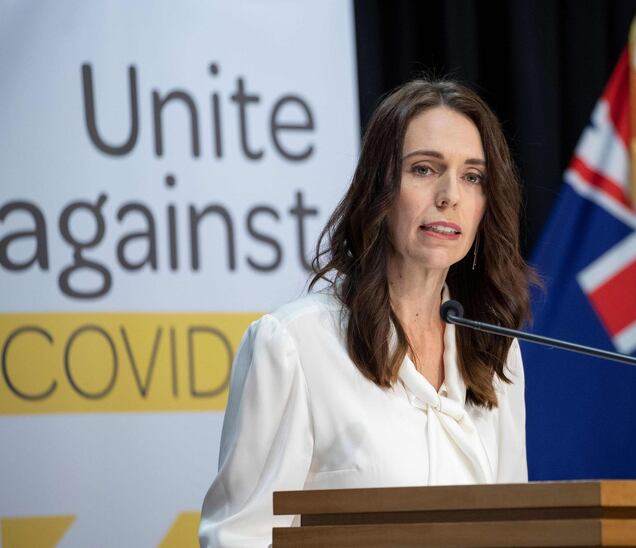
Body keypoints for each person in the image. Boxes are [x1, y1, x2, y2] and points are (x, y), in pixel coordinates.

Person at [198, 79, 537, 547]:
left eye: (472, 176)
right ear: (379, 187)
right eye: (424, 169)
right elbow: (239, 536)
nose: (449, 195)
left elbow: (512, 529)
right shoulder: (295, 344)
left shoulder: (496, 351)